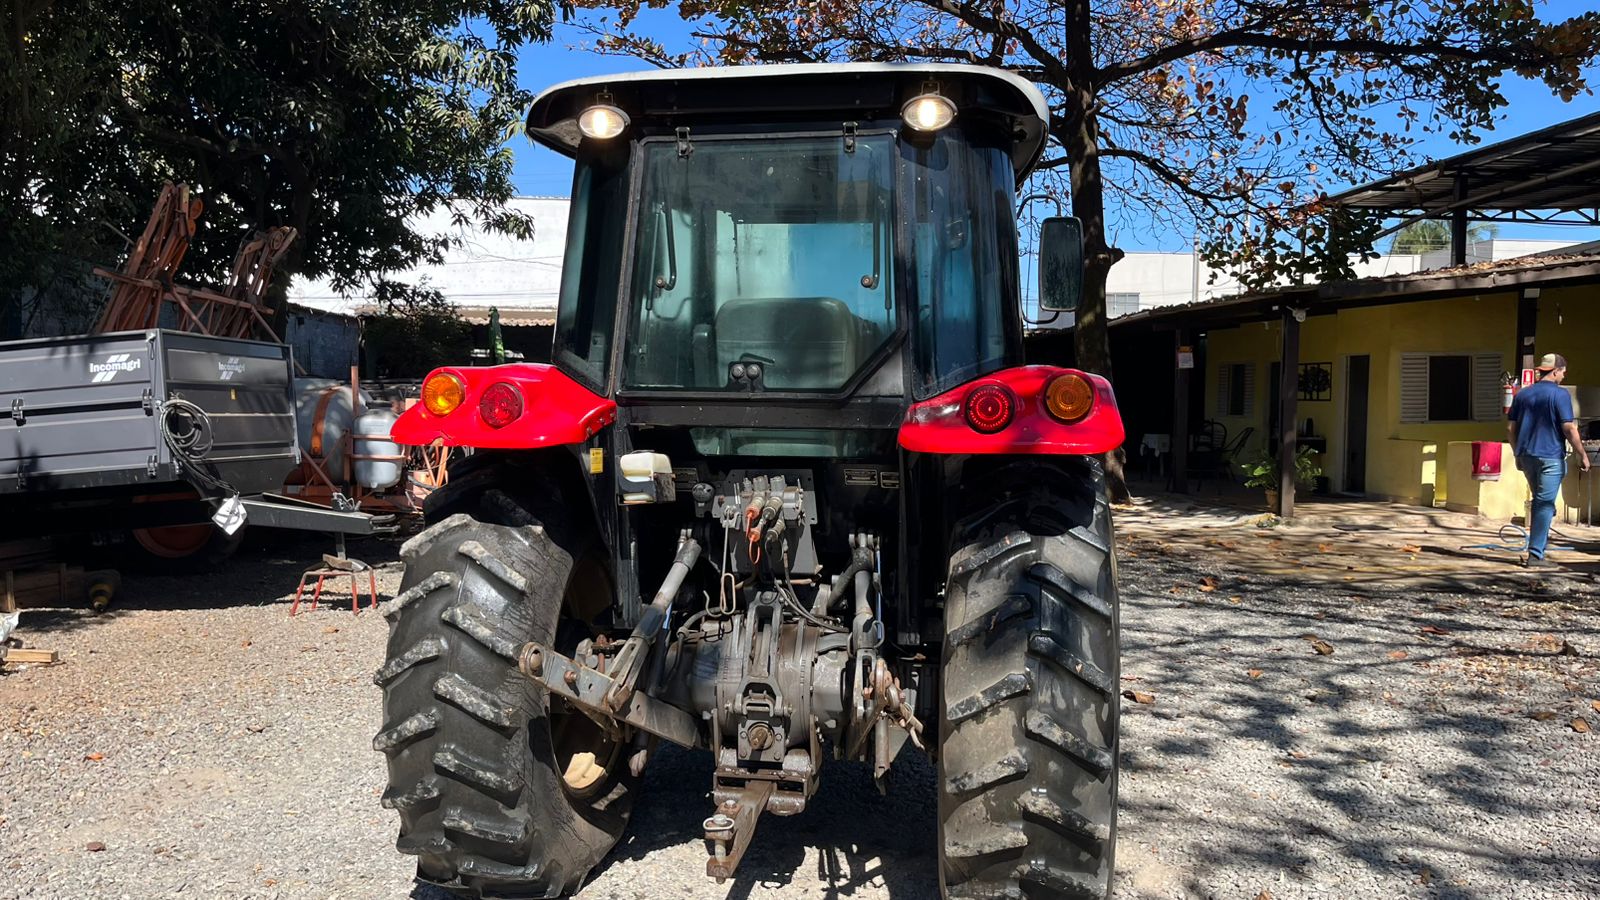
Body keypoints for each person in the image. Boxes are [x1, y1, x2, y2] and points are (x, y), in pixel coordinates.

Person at [1507, 352, 1591, 567]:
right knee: (1544, 504)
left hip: (1527, 456)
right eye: (1562, 372)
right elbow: (1569, 428)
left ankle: (1539, 540)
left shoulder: (1522, 395)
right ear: (1555, 371)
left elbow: (1510, 428)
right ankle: (1535, 555)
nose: (1563, 376)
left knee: (1541, 501)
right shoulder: (1560, 395)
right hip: (1550, 457)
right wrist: (1582, 454)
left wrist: (1517, 453)